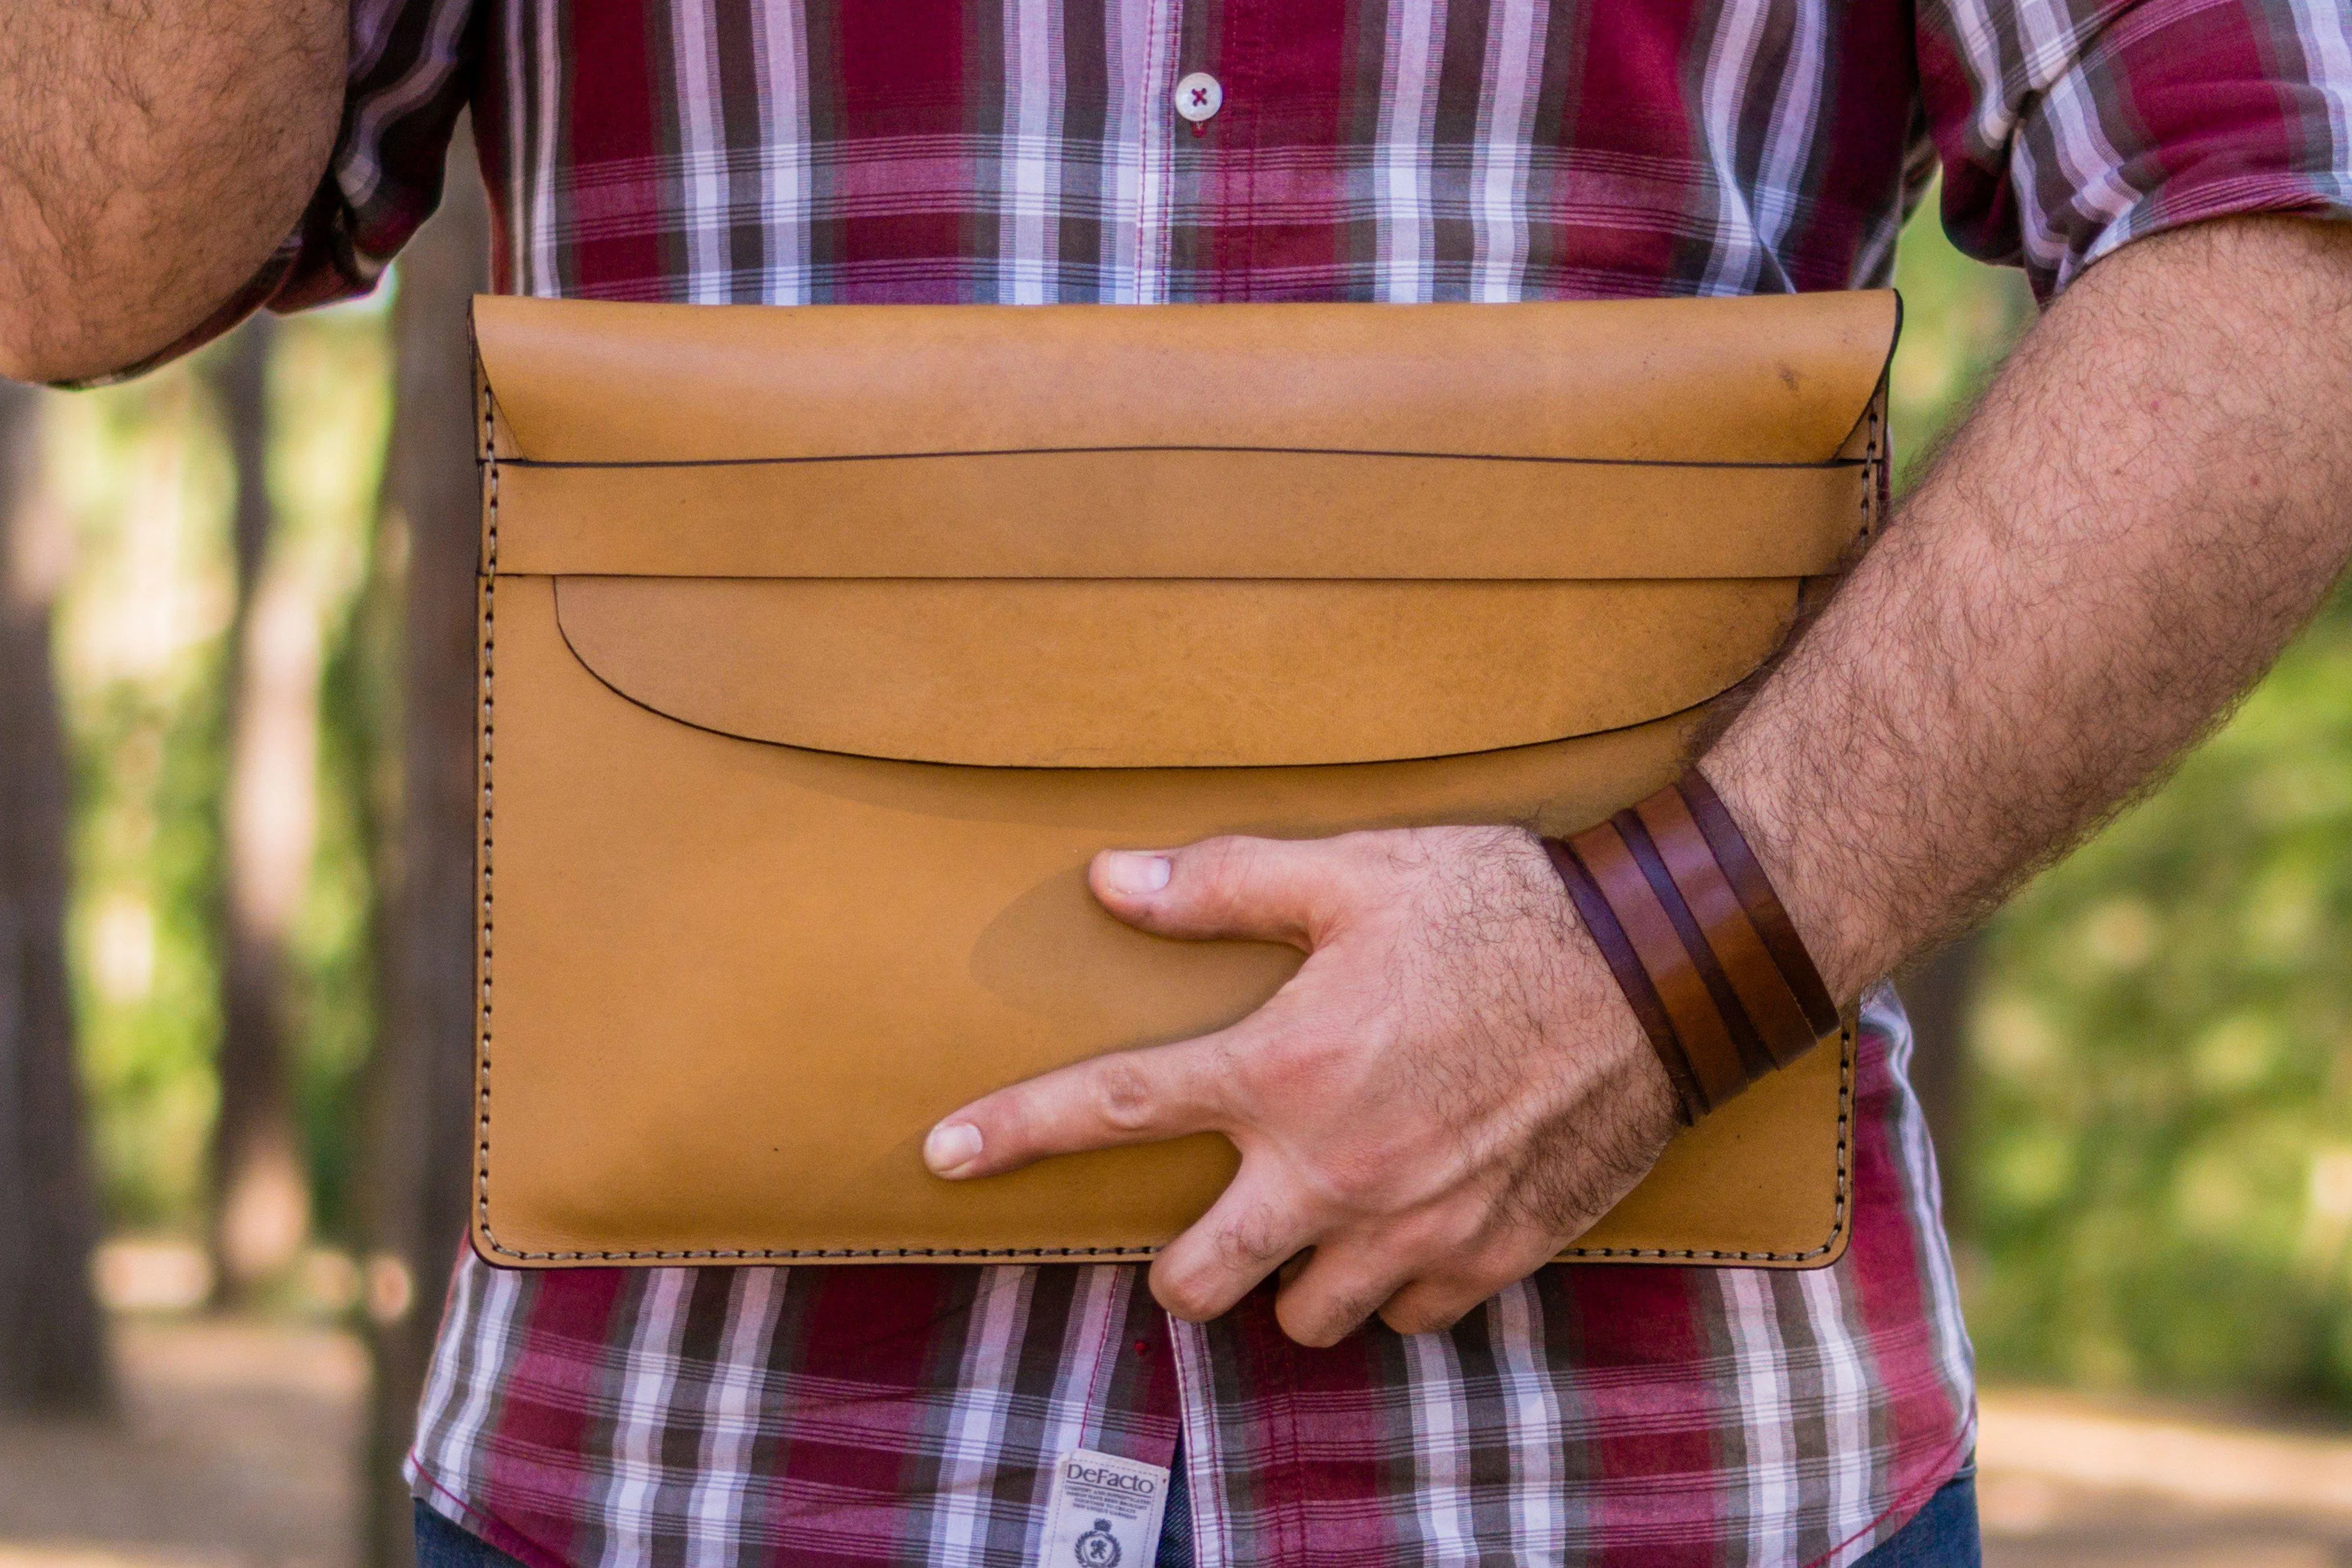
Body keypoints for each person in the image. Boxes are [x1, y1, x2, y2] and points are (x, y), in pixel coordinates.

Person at [7, 3, 2350, 1563]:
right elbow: (72, 251)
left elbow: (2291, 228)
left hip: (1657, 1478)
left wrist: (1654, 973)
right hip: (672, 1474)